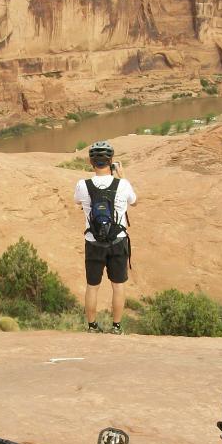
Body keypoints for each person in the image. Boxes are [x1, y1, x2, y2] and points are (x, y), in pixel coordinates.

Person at [74, 140, 137, 334]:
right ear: (111, 161)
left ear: (91, 163)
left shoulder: (82, 185)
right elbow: (134, 202)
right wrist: (122, 176)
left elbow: (77, 201)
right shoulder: (123, 184)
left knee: (92, 286)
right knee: (118, 286)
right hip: (118, 241)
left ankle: (92, 327)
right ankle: (116, 327)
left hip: (93, 242)